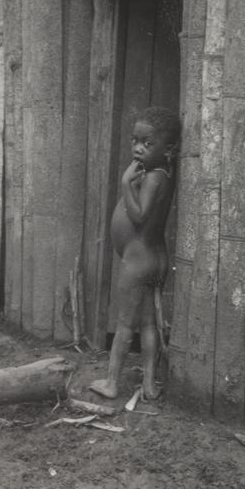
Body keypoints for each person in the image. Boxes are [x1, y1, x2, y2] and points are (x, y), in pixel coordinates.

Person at [90, 105, 180, 401]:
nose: (138, 148)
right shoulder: (161, 173)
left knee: (125, 324)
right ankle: (151, 386)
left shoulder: (153, 177)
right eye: (135, 141)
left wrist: (125, 183)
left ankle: (112, 383)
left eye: (148, 143)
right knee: (148, 324)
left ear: (168, 148)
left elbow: (139, 217)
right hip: (153, 258)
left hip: (138, 260)